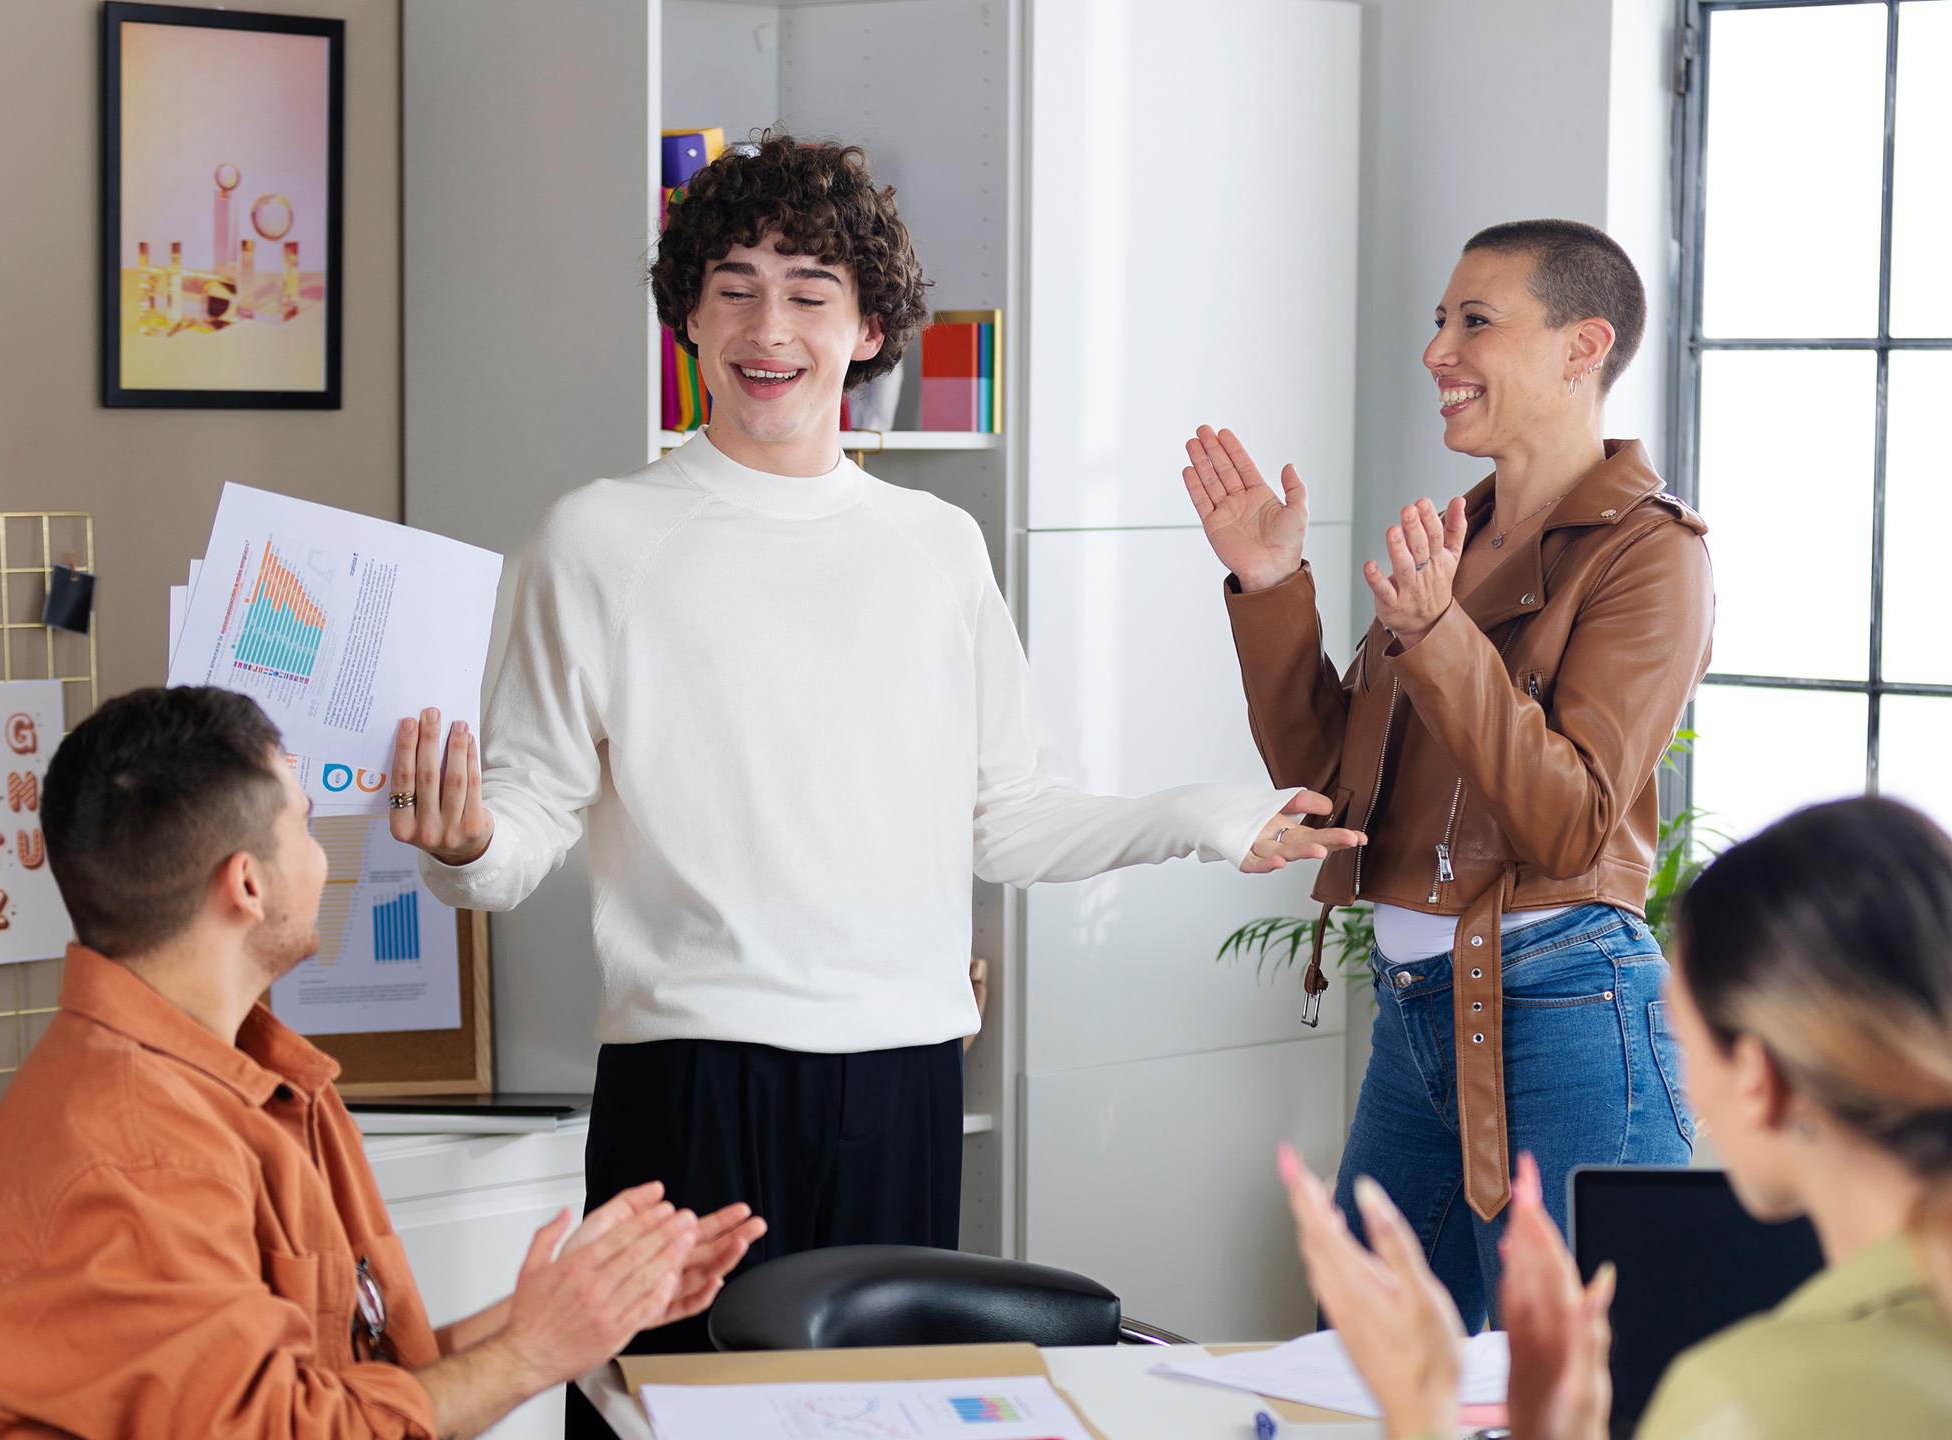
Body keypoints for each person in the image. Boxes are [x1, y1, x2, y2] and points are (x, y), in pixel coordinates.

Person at [386, 134, 1360, 1390]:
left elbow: (1009, 817)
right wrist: (466, 844)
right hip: (689, 1075)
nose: (766, 325)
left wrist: (1212, 816)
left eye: (809, 291)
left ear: (868, 329)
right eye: (731, 285)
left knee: (879, 1416)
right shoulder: (596, 538)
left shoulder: (937, 546)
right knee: (663, 1410)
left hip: (900, 1075)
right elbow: (520, 825)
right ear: (687, 313)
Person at [0, 687, 764, 1440]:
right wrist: (532, 1351)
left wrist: (579, 1312)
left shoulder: (242, 1082)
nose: (325, 859)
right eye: (308, 828)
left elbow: (335, 1384)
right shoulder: (139, 1150)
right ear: (247, 885)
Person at [1281, 797, 1952, 1440]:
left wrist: (1418, 1409)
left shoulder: (1748, 1403)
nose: (1679, 1080)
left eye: (1681, 1033)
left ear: (1760, 1079)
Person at [1185, 218, 1712, 1327]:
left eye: (1475, 321)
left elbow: (1567, 823)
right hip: (1422, 1011)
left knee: (1578, 1392)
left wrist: (1435, 638)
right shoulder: (1452, 539)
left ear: (1582, 348)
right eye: (1438, 321)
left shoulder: (1651, 555)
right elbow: (1331, 787)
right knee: (1359, 1369)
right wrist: (1271, 587)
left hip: (1568, 1006)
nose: (1436, 351)